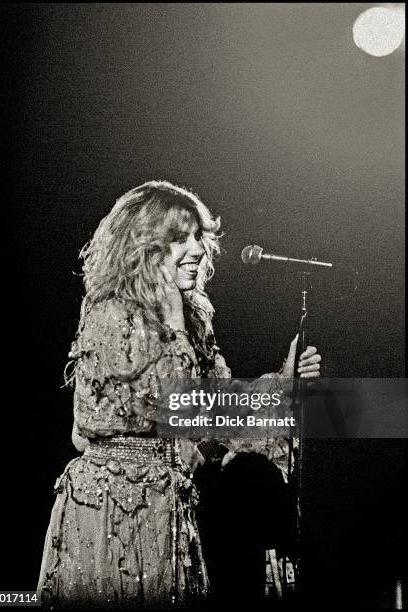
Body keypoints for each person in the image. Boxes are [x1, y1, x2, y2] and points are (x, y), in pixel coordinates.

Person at [37, 180, 321, 608]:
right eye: (178, 239)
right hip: (109, 508)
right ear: (143, 248)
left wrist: (285, 377)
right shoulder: (111, 312)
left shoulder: (191, 320)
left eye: (198, 238)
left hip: (167, 507)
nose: (199, 251)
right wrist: (173, 319)